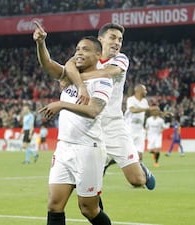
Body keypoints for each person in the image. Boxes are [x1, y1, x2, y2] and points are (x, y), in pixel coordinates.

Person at [33, 21, 155, 191]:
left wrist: (72, 78)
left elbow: (105, 73)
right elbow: (58, 64)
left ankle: (142, 170)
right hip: (88, 128)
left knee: (137, 181)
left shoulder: (120, 59)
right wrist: (41, 44)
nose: (117, 43)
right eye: (112, 38)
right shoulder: (83, 60)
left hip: (113, 126)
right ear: (100, 40)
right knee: (83, 186)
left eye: (120, 39)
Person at [38, 36, 113, 225]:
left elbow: (93, 110)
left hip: (88, 150)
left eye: (85, 49)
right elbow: (47, 63)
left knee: (88, 209)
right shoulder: (69, 76)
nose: (79, 52)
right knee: (54, 205)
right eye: (78, 48)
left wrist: (62, 104)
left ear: (98, 54)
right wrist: (40, 43)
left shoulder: (102, 81)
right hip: (64, 148)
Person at [124, 84, 159, 161]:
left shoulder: (144, 101)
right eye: (145, 90)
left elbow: (148, 112)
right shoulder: (131, 99)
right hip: (129, 129)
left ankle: (141, 172)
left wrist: (161, 113)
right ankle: (108, 164)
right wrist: (148, 109)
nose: (146, 92)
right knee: (126, 154)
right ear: (139, 91)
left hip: (140, 130)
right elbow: (133, 110)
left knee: (139, 154)